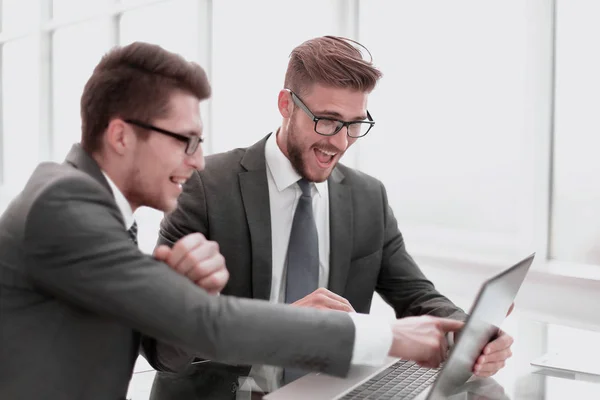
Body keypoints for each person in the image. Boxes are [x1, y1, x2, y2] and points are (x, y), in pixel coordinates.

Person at [0, 41, 464, 400]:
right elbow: (209, 325)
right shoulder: (65, 207)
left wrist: (176, 297)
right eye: (185, 141)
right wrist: (391, 336)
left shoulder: (92, 207)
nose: (199, 160)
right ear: (121, 135)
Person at [150, 36, 515, 399]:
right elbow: (161, 345)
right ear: (286, 105)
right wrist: (281, 327)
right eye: (327, 121)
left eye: (355, 124)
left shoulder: (367, 197)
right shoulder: (204, 187)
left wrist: (468, 335)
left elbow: (416, 295)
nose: (340, 143)